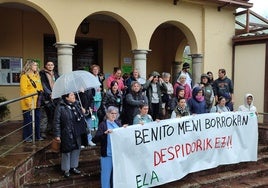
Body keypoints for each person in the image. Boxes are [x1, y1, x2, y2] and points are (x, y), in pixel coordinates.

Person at [53, 92, 88, 178]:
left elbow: (82, 117)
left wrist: (84, 112)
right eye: (72, 95)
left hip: (77, 131)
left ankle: (73, 167)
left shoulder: (77, 105)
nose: (74, 96)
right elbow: (56, 122)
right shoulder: (60, 107)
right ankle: (66, 169)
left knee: (76, 150)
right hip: (66, 132)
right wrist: (57, 135)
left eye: (73, 95)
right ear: (66, 98)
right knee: (67, 151)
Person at [92, 106, 127, 188]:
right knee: (106, 176)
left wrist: (125, 129)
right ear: (107, 114)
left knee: (117, 176)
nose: (114, 115)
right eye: (112, 113)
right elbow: (95, 139)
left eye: (115, 113)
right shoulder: (103, 124)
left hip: (118, 155)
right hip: (107, 155)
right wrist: (104, 133)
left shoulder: (118, 123)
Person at [20, 59, 44, 142]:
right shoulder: (24, 77)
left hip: (37, 102)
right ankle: (27, 137)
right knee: (28, 121)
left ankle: (37, 136)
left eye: (37, 65)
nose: (36, 67)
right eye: (34, 65)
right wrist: (29, 102)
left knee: (37, 119)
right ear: (29, 66)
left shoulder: (37, 76)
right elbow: (24, 91)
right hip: (28, 103)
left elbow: (40, 87)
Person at [39, 61, 59, 138]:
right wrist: (49, 93)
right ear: (46, 66)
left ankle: (51, 130)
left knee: (54, 115)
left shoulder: (56, 74)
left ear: (53, 66)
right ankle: (42, 132)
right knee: (45, 116)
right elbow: (43, 85)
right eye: (48, 65)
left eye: (52, 65)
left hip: (56, 97)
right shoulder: (42, 74)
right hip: (46, 97)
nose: (50, 66)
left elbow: (58, 83)